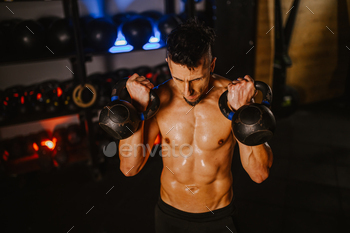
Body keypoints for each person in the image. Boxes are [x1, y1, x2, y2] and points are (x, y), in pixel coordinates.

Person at [118, 18, 273, 233]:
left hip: (218, 217)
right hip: (169, 214)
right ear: (168, 64)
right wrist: (136, 109)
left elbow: (259, 174)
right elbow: (129, 168)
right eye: (178, 79)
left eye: (197, 79)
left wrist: (244, 111)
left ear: (212, 65)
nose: (187, 91)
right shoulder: (157, 100)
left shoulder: (232, 100)